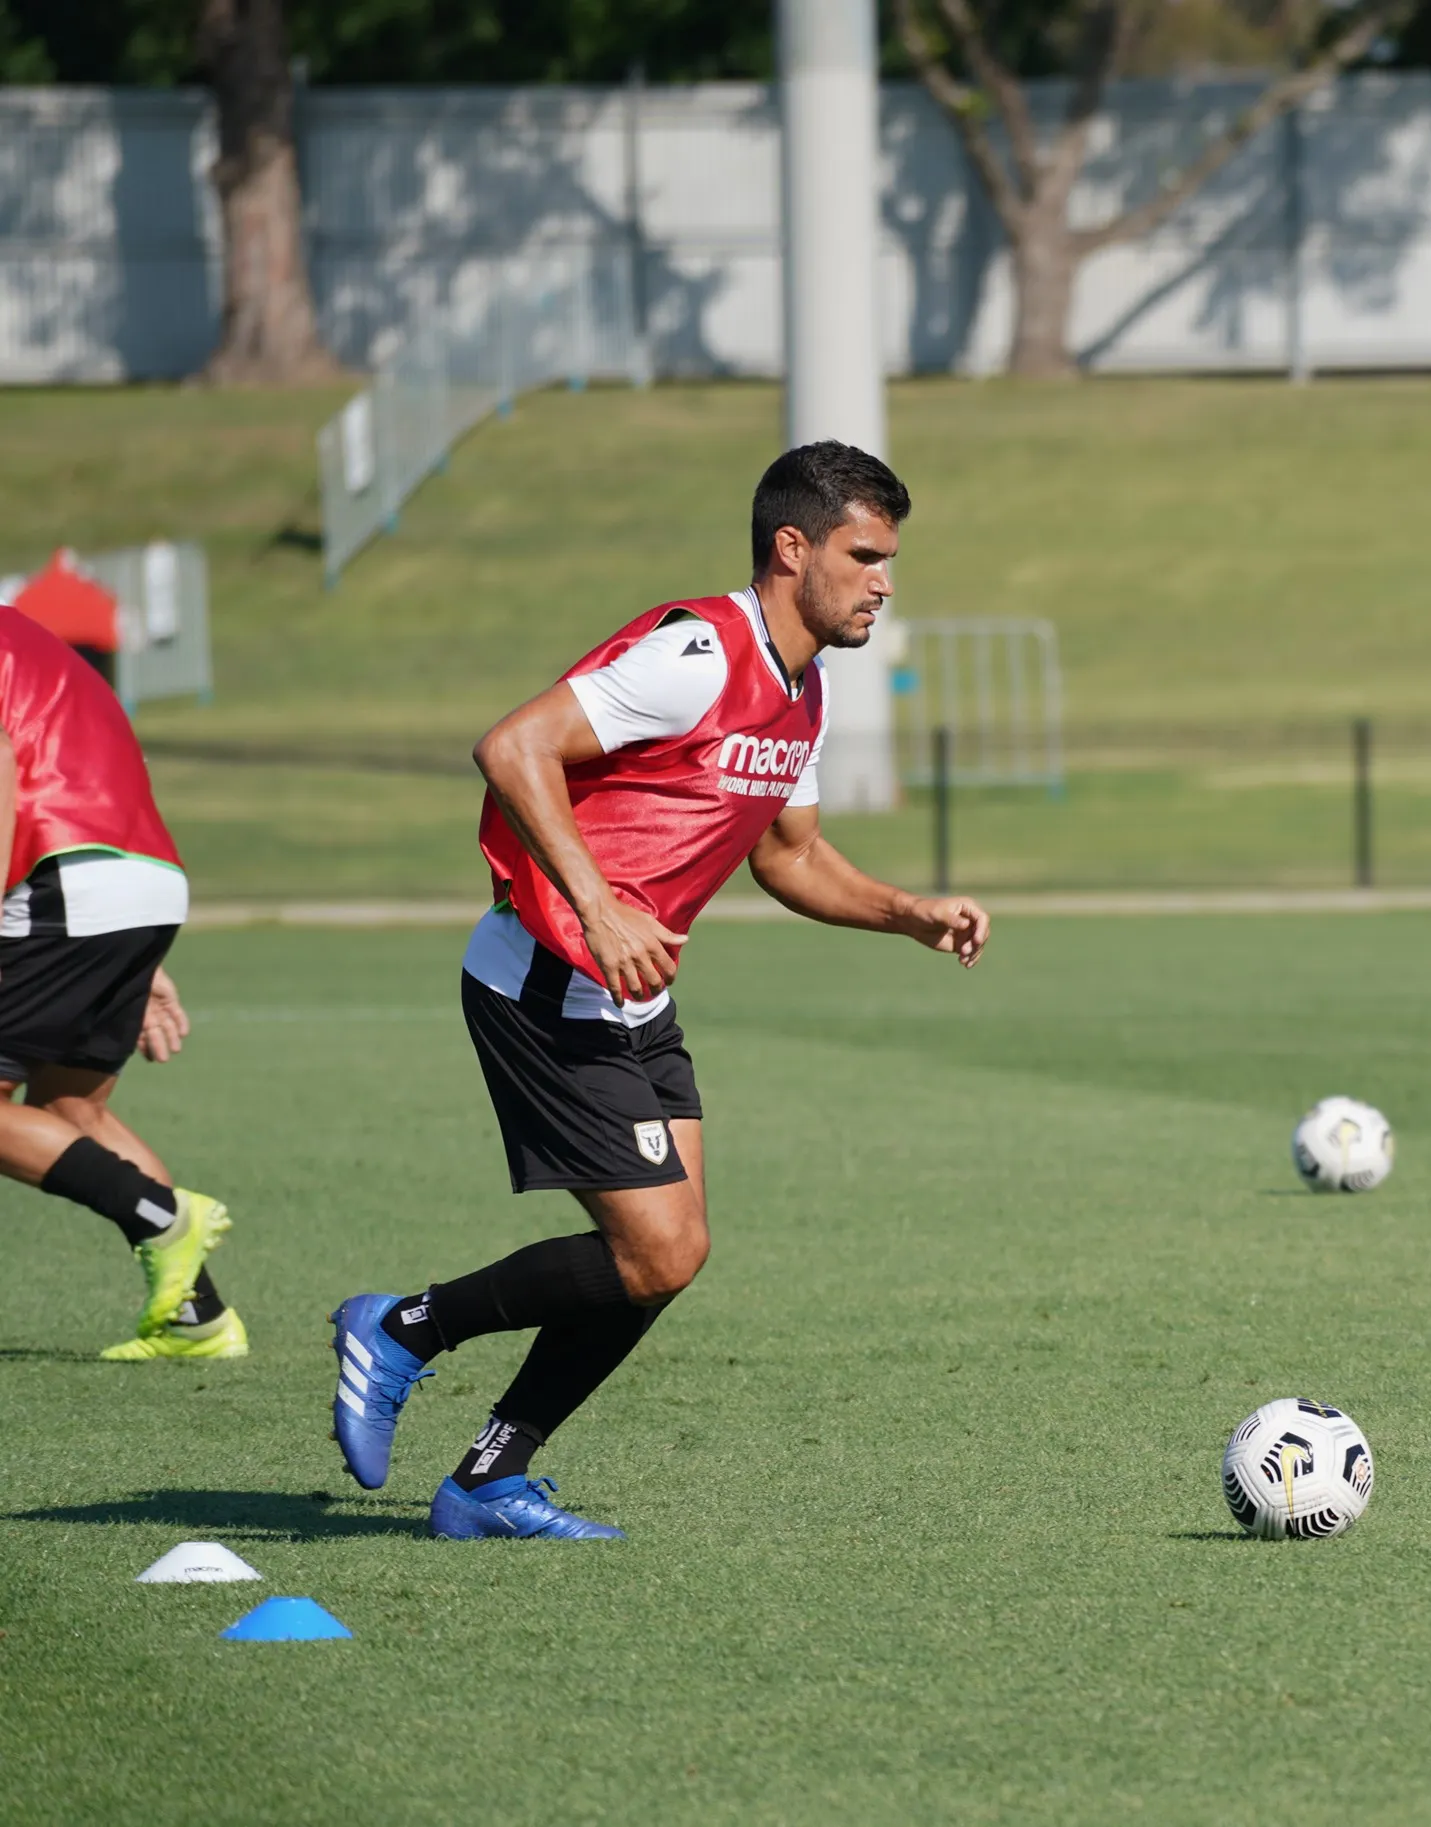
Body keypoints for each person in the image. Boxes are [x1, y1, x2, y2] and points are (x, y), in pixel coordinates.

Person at [329, 441, 990, 1541]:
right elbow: (513, 746)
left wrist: (904, 912)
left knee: (663, 1259)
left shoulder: (801, 689)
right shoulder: (695, 651)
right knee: (659, 1250)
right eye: (864, 554)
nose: (884, 578)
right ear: (793, 547)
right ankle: (401, 1329)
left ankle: (490, 1478)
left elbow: (790, 858)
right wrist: (595, 904)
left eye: (889, 558)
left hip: (631, 1001)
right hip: (543, 985)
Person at [0, 604, 245, 1360]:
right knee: (73, 1108)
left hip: (57, 882)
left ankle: (158, 1215)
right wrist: (139, 951)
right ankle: (196, 1317)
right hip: (135, 881)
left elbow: (5, 784)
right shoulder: (27, 634)